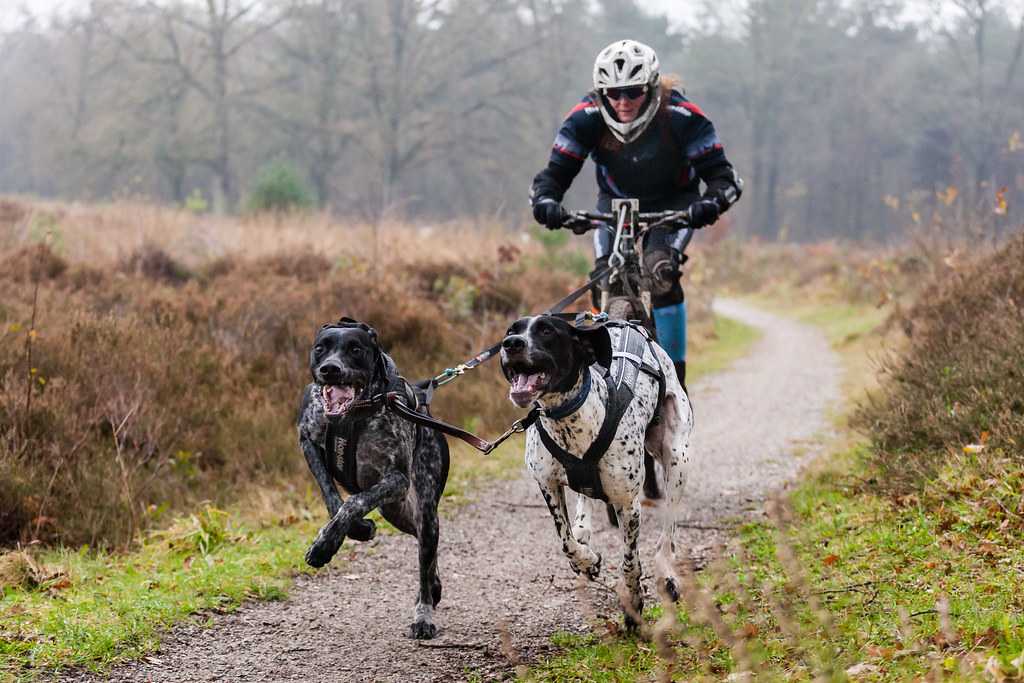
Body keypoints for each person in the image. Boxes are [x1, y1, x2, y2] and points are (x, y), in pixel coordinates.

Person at [529, 39, 743, 388]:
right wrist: (546, 203)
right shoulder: (586, 117)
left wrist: (710, 203)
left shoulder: (682, 116)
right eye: (613, 93)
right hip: (614, 204)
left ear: (653, 86)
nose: (623, 102)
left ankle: (676, 382)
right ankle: (604, 380)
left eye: (633, 91)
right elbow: (552, 176)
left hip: (674, 203)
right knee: (605, 279)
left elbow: (726, 179)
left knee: (661, 273)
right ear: (600, 92)